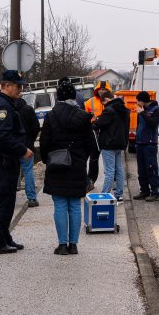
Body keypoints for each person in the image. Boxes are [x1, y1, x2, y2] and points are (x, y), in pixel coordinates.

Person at [39, 78, 100, 255]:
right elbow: (92, 146)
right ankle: (74, 244)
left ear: (58, 97)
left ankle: (62, 244)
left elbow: (44, 142)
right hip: (77, 165)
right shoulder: (83, 117)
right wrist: (82, 158)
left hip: (56, 165)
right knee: (74, 205)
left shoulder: (51, 116)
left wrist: (47, 159)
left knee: (59, 205)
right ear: (74, 96)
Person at [0, 71, 32, 254]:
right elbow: (2, 134)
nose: (20, 89)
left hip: (5, 159)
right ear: (8, 85)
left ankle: (4, 236)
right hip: (2, 160)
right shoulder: (1, 105)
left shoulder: (4, 103)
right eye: (18, 86)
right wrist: (22, 150)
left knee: (8, 200)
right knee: (3, 200)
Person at [91, 87, 129, 201]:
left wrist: (94, 121)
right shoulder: (124, 109)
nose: (104, 105)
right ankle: (119, 195)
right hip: (120, 144)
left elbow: (99, 124)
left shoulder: (109, 110)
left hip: (109, 144)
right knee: (119, 169)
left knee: (109, 171)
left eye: (104, 103)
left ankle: (104, 195)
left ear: (107, 99)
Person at [13, 88, 42, 207]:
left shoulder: (10, 109)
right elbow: (36, 127)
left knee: (13, 172)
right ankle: (31, 198)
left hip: (13, 145)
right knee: (28, 171)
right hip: (27, 145)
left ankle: (11, 197)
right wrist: (31, 139)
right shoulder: (28, 109)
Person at [135, 91, 159, 200]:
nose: (137, 103)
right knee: (141, 169)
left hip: (150, 144)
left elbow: (153, 123)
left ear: (142, 101)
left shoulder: (156, 110)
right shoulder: (142, 110)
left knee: (151, 168)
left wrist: (142, 113)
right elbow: (140, 125)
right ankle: (144, 191)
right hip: (140, 143)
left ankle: (154, 193)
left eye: (138, 101)